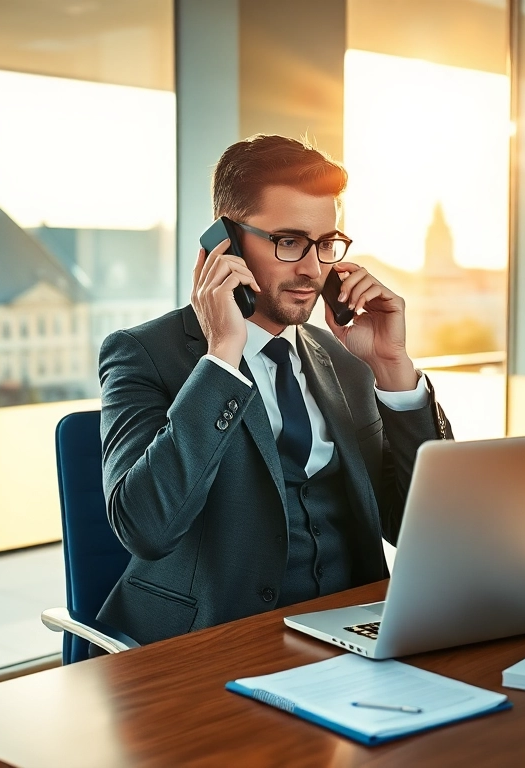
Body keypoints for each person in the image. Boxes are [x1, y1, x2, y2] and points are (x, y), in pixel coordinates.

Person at [94, 134, 451, 646]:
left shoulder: (347, 361)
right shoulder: (143, 353)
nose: (311, 268)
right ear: (226, 244)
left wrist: (394, 370)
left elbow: (432, 534)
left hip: (357, 633)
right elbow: (146, 526)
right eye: (288, 241)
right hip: (212, 644)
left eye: (325, 243)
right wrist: (222, 356)